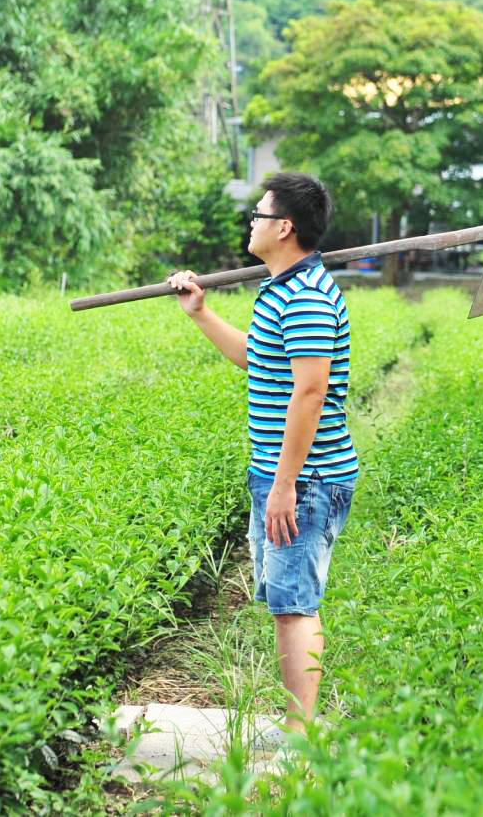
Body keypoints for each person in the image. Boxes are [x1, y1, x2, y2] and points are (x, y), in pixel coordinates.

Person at [164, 171, 357, 745]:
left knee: (296, 604)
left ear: (285, 227)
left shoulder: (307, 297)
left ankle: (300, 735)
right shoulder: (281, 290)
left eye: (259, 214)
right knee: (284, 601)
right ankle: (296, 723)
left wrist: (284, 484)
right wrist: (200, 312)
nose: (251, 223)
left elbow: (310, 392)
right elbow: (256, 357)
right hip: (281, 473)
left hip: (305, 478)